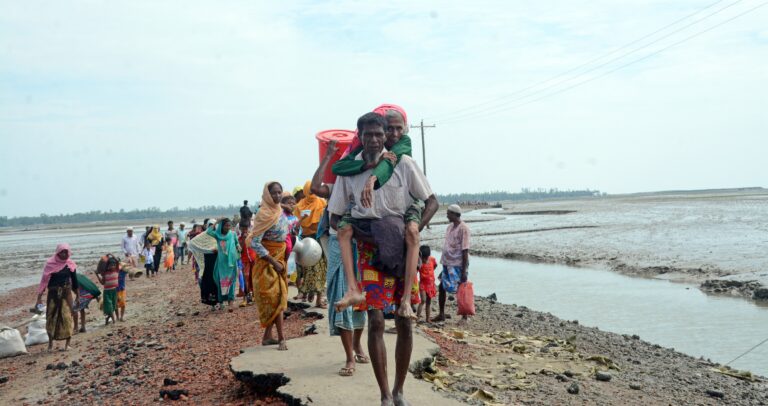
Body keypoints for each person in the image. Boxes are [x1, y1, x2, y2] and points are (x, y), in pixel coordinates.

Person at [328, 112, 438, 405]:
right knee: (375, 319)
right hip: (369, 250)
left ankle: (400, 390)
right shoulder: (350, 170)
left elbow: (432, 201)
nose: (375, 139)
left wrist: (412, 231)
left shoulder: (402, 163)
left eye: (379, 133)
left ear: (386, 135)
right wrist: (362, 235)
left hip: (401, 247)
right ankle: (385, 395)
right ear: (360, 136)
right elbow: (335, 215)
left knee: (405, 321)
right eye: (369, 134)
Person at [334, 105, 431, 322]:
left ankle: (406, 299)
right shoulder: (357, 156)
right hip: (368, 231)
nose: (393, 134)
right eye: (389, 130)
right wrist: (364, 168)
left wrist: (372, 178)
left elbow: (429, 200)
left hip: (400, 222)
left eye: (398, 129)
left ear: (404, 130)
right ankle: (352, 290)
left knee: (413, 233)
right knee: (375, 317)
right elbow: (339, 168)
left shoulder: (402, 153)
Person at [311, 140, 369, 377]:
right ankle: (349, 356)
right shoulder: (336, 184)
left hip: (363, 243)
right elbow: (315, 187)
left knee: (362, 300)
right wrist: (327, 158)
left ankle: (357, 344)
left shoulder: (367, 179)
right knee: (340, 295)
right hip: (338, 243)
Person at [249, 182, 291, 351]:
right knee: (276, 299)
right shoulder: (262, 214)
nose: (277, 196)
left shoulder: (279, 210)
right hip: (267, 263)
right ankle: (281, 338)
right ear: (267, 194)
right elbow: (255, 243)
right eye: (274, 193)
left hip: (280, 259)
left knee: (279, 297)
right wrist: (273, 261)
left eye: (280, 192)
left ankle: (268, 336)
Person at [35, 243, 78, 351]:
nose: (64, 254)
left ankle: (67, 344)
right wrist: (39, 298)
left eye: (66, 252)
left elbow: (75, 281)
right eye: (62, 252)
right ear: (58, 252)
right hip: (53, 295)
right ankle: (50, 344)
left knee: (67, 317)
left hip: (66, 294)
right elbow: (44, 281)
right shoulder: (50, 264)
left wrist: (78, 295)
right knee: (51, 318)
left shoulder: (70, 265)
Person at [433, 204, 471, 322]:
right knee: (442, 287)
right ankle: (441, 314)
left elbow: (465, 250)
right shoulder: (449, 227)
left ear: (455, 214)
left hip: (458, 264)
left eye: (449, 213)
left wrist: (464, 271)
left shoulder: (464, 228)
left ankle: (465, 315)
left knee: (460, 288)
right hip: (447, 263)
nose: (447, 215)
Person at [294, 181, 328, 308]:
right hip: (307, 242)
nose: (313, 193)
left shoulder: (322, 203)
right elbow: (295, 225)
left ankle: (318, 299)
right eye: (311, 191)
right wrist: (301, 220)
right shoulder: (299, 206)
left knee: (321, 270)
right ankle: (310, 292)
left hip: (320, 239)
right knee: (309, 270)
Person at [206, 218, 241, 309]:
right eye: (226, 225)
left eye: (229, 225)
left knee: (232, 281)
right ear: (222, 226)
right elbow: (208, 231)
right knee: (221, 281)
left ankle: (231, 303)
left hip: (231, 262)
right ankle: (223, 299)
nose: (228, 227)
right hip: (222, 263)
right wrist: (217, 222)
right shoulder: (217, 235)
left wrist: (238, 247)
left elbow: (237, 243)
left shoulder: (233, 234)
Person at [189, 219, 222, 309]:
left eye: (213, 225)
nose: (212, 226)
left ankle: (221, 302)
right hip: (208, 261)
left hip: (217, 259)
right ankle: (212, 304)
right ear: (208, 226)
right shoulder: (203, 236)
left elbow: (224, 245)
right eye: (210, 225)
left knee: (218, 281)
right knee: (209, 281)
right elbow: (192, 243)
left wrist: (218, 250)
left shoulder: (218, 234)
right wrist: (207, 250)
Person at [95, 254, 120, 325]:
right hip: (107, 292)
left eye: (114, 265)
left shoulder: (116, 270)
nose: (113, 266)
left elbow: (117, 262)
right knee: (109, 306)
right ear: (108, 266)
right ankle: (114, 320)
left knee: (114, 305)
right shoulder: (105, 273)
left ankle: (109, 318)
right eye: (111, 265)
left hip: (114, 291)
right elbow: (102, 283)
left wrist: (112, 255)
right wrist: (97, 275)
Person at [416, 245, 437, 323]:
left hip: (431, 284)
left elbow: (435, 265)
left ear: (428, 256)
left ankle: (427, 318)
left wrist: (431, 273)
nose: (424, 260)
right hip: (423, 284)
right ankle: (417, 318)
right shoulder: (419, 263)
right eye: (422, 258)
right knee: (423, 300)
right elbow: (416, 271)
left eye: (425, 258)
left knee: (429, 302)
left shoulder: (432, 260)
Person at [238, 223, 256, 306]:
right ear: (240, 228)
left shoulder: (252, 236)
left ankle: (254, 296)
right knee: (245, 278)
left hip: (253, 259)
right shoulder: (239, 238)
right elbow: (239, 249)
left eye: (246, 228)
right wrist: (243, 239)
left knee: (254, 277)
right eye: (243, 228)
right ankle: (245, 298)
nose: (245, 230)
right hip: (245, 261)